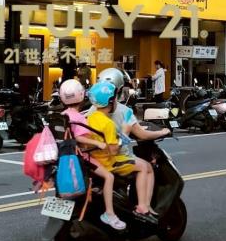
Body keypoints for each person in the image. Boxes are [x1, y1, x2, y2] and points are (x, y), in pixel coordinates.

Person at [58, 79, 125, 231]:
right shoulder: (79, 117)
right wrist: (98, 144)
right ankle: (110, 214)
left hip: (65, 155)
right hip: (81, 157)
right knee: (109, 177)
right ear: (82, 96)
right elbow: (79, 138)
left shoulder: (62, 115)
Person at [85, 82, 158, 220]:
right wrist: (124, 134)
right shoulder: (108, 124)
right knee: (146, 167)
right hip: (109, 161)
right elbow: (113, 151)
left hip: (94, 159)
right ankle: (143, 207)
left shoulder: (90, 117)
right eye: (115, 98)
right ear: (111, 101)